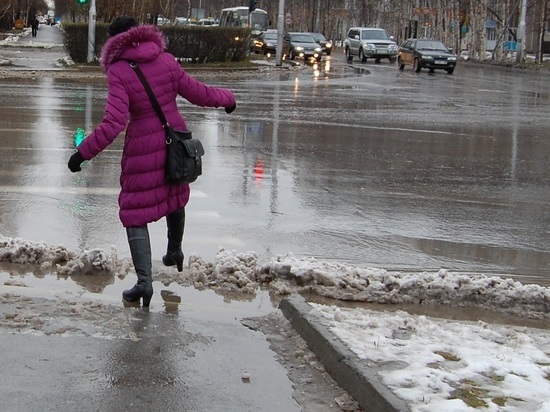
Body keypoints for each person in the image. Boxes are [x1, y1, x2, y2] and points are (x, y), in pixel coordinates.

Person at [67, 16, 236, 307]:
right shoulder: (166, 59)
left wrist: (83, 152)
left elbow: (114, 122)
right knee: (175, 192)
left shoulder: (119, 70)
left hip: (144, 144)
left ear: (115, 41)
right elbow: (198, 92)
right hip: (176, 139)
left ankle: (144, 283)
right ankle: (175, 251)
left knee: (134, 210)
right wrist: (227, 98)